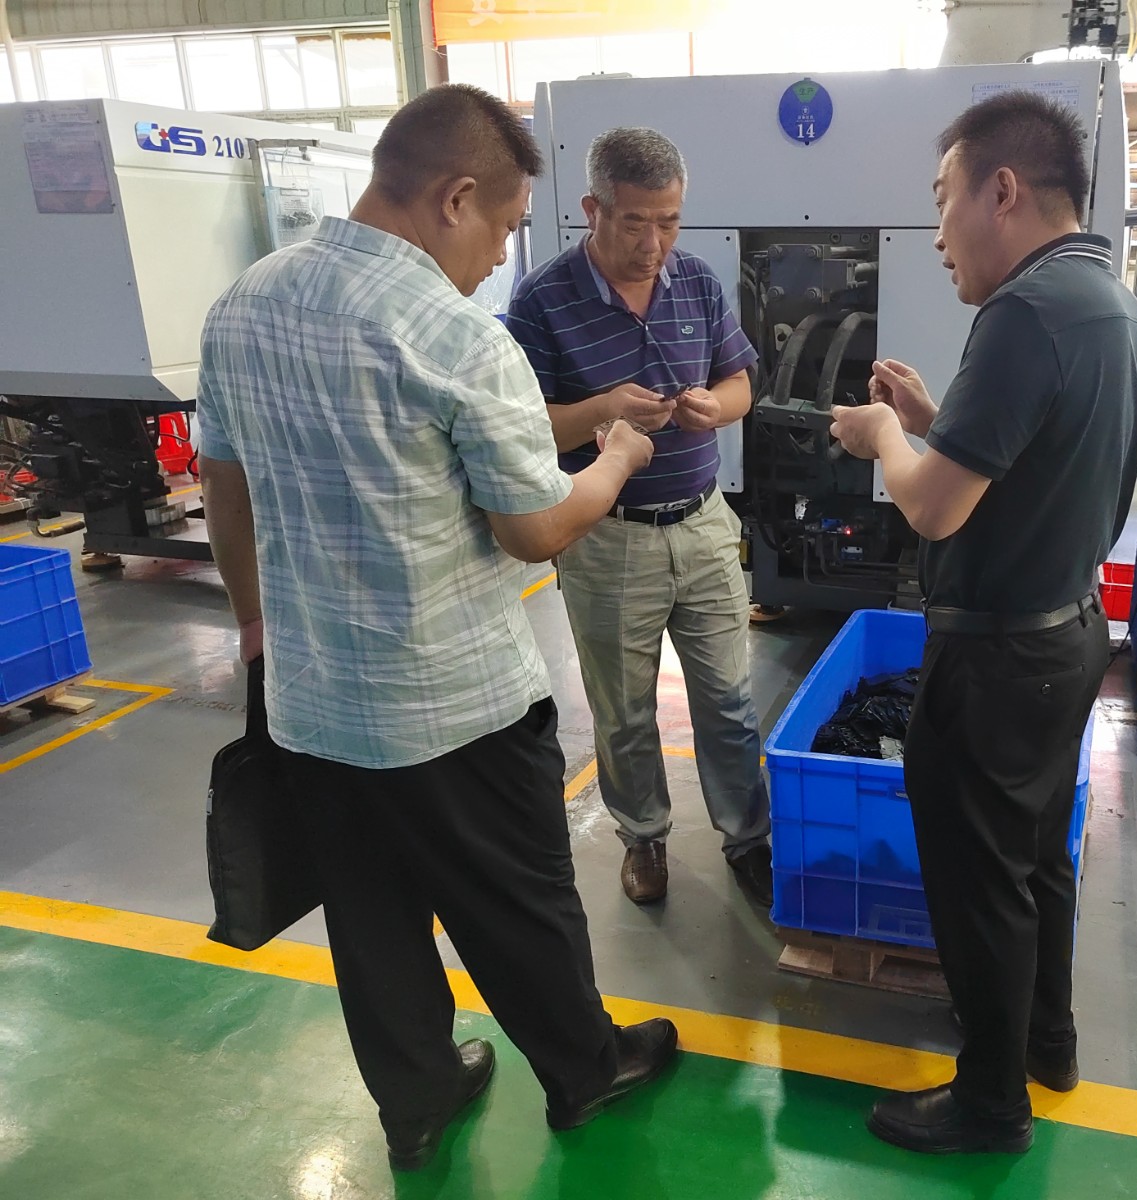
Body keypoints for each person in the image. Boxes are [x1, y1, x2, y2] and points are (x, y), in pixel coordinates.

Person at [195, 84, 679, 1172]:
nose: (500, 256)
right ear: (456, 197)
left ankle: (415, 1102)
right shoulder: (454, 336)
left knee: (369, 917)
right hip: (454, 706)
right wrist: (614, 456)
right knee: (520, 903)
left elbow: (225, 485)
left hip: (313, 700)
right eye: (503, 228)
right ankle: (583, 1071)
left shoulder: (243, 304)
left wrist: (255, 624)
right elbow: (534, 528)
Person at [830, 92, 1137, 1155]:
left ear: (1001, 191)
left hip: (998, 653)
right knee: (1036, 862)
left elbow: (932, 508)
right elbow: (1039, 453)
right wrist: (935, 420)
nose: (935, 233)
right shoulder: (1110, 303)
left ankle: (988, 1104)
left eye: (942, 200)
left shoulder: (1023, 312)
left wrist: (882, 438)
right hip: (1069, 634)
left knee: (979, 884)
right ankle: (1046, 1043)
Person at [506, 127, 772, 908]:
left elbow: (741, 384)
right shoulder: (543, 300)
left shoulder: (696, 281)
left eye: (670, 222)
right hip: (607, 536)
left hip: (704, 524)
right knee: (623, 711)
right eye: (635, 223)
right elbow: (522, 425)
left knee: (729, 700)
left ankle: (747, 837)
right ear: (593, 209)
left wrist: (713, 407)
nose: (655, 244)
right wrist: (603, 410)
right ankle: (644, 838)